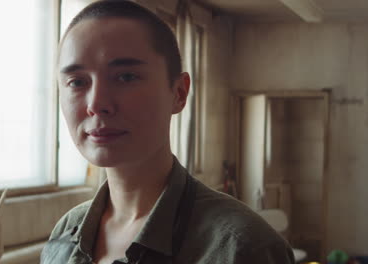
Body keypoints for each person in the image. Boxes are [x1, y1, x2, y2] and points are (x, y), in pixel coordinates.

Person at [41, 1, 295, 263]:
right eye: (77, 82)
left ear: (179, 93)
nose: (97, 104)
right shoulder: (66, 235)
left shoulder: (242, 248)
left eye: (125, 77)